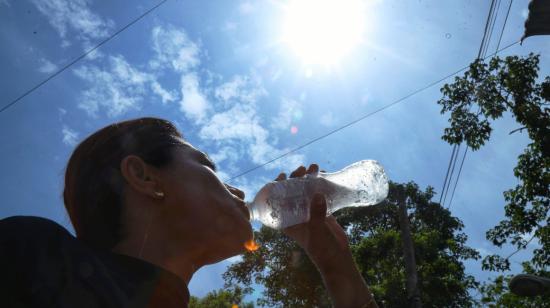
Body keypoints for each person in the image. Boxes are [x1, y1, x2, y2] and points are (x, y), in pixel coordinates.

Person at [0, 117, 377, 307]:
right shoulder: (35, 256)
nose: (240, 190)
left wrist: (334, 262)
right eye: (207, 165)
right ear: (144, 177)